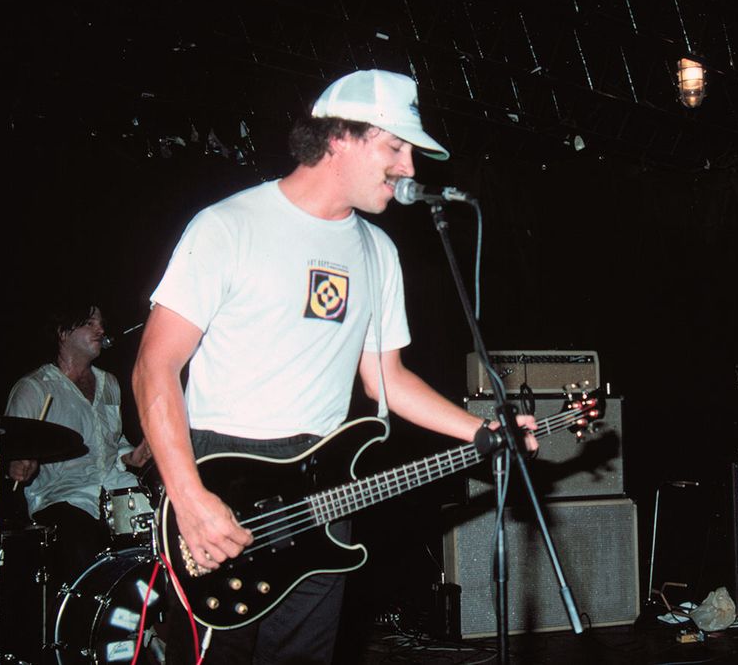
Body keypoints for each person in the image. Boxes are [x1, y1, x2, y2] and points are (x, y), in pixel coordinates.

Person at [133, 69, 537, 664]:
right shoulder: (228, 225)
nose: (410, 169)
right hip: (224, 478)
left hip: (325, 490)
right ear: (340, 137)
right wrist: (189, 497)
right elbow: (153, 369)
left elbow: (387, 380)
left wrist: (482, 431)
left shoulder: (378, 252)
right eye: (395, 147)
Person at [5, 301, 153, 588]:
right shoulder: (34, 389)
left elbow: (114, 440)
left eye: (101, 322)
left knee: (163, 527)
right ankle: (86, 628)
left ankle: (147, 625)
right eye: (90, 323)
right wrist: (17, 464)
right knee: (83, 544)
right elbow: (10, 449)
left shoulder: (109, 383)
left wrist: (130, 456)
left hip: (115, 490)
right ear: (63, 332)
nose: (101, 329)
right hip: (64, 497)